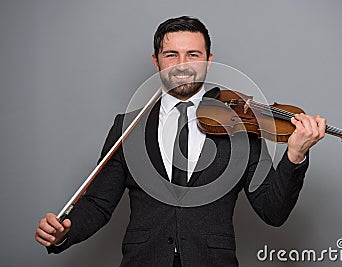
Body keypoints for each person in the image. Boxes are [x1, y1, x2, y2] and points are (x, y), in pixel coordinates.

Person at [35, 16, 326, 266]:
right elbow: (98, 203)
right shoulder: (128, 126)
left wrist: (295, 155)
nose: (182, 65)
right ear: (156, 61)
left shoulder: (239, 126)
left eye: (193, 55)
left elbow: (273, 211)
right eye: (171, 54)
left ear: (209, 61)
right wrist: (65, 233)